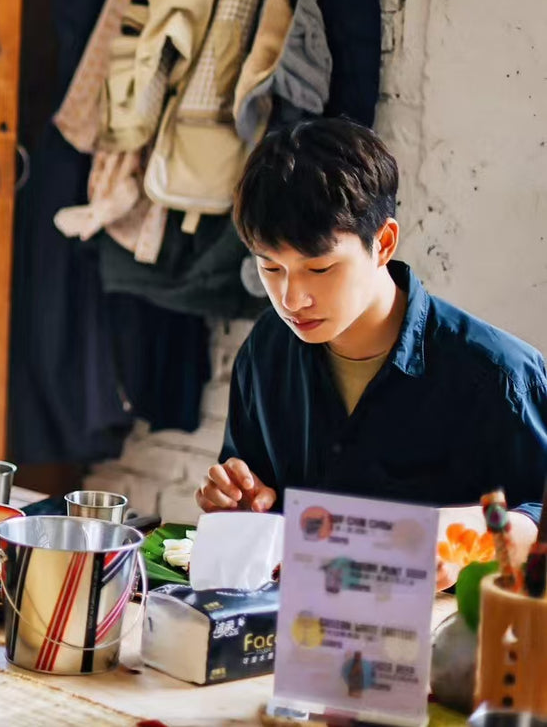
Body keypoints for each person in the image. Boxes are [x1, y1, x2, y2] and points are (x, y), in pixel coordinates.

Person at [197, 118, 547, 586]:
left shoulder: (498, 375)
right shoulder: (267, 351)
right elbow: (258, 506)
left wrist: (475, 538)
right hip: (288, 634)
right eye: (271, 267)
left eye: (319, 269)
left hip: (448, 643)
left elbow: (538, 517)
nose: (291, 298)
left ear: (382, 243)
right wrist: (241, 503)